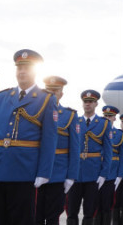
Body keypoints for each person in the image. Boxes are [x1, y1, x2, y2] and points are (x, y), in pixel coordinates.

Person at [0, 49, 57, 225]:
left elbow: (49, 139)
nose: (22, 71)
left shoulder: (46, 99)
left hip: (24, 172)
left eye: (27, 68)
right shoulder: (1, 97)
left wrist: (44, 172)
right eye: (19, 68)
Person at [36, 76, 80, 225]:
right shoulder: (34, 112)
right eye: (48, 90)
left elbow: (75, 148)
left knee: (52, 217)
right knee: (34, 216)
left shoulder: (69, 115)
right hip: (34, 172)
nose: (52, 94)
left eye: (55, 91)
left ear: (61, 94)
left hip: (57, 174)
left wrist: (71, 176)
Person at [67, 89, 113, 225]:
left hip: (93, 174)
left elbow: (108, 151)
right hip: (75, 173)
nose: (87, 104)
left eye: (91, 102)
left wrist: (104, 174)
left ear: (96, 104)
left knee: (89, 212)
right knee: (71, 211)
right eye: (85, 101)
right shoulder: (75, 121)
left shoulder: (104, 123)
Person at [98, 105, 122, 225]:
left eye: (110, 116)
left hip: (111, 174)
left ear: (114, 118)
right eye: (106, 116)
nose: (107, 118)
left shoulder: (119, 134)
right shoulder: (97, 130)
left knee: (107, 205)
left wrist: (119, 175)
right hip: (96, 173)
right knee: (95, 205)